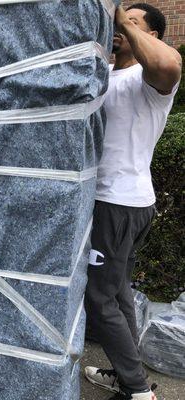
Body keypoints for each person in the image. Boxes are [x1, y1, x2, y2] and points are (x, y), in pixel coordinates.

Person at [84, 3, 182, 400]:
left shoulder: (149, 79)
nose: (120, 28)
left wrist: (122, 16)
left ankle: (139, 391)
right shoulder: (106, 73)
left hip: (119, 204)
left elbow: (171, 64)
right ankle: (128, 377)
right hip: (112, 202)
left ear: (152, 35)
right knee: (119, 292)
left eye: (133, 23)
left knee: (99, 297)